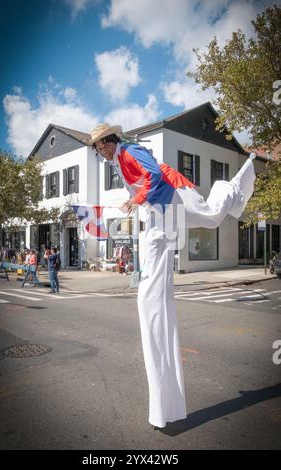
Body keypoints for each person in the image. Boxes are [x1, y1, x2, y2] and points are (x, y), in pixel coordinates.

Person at [86, 122, 256, 429]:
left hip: (175, 196)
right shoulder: (119, 160)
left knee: (213, 216)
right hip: (164, 207)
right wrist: (140, 201)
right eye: (97, 148)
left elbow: (154, 175)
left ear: (112, 140)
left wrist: (136, 200)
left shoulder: (130, 150)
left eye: (102, 145)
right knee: (211, 220)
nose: (101, 151)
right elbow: (145, 185)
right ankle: (166, 404)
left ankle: (232, 185)